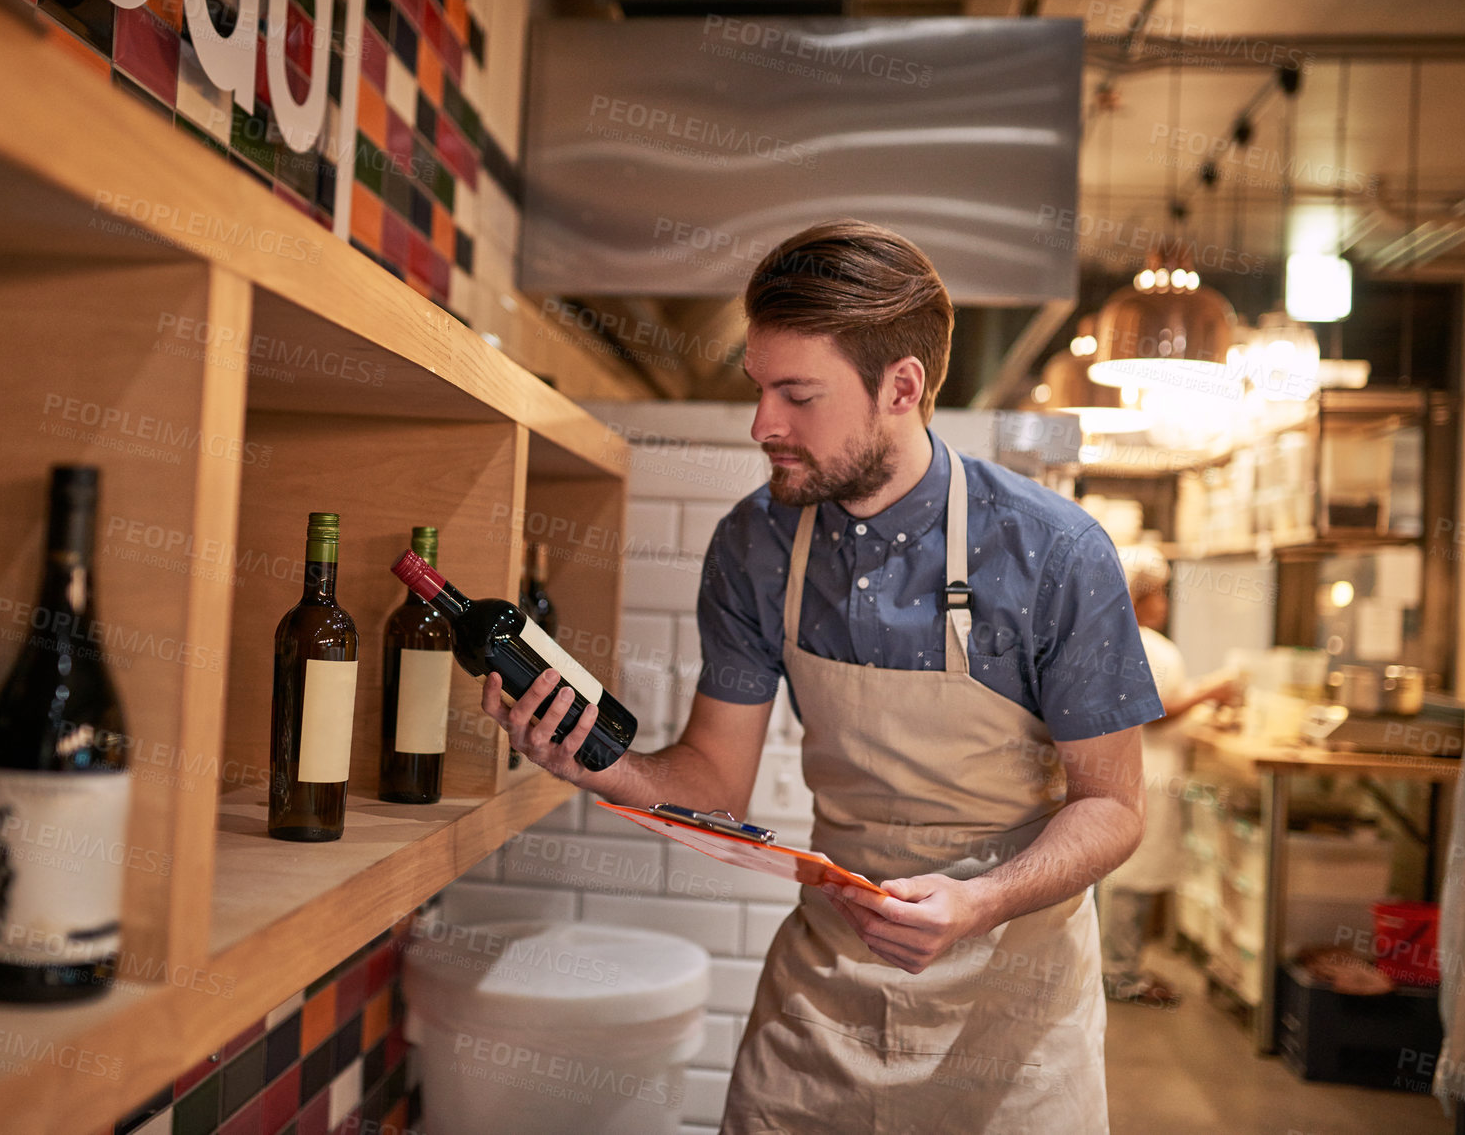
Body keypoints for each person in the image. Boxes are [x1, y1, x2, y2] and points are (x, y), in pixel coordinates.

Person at [477, 220, 1163, 1134]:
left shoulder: (1054, 553)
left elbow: (1112, 806)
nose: (764, 423)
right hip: (822, 1007)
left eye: (796, 394)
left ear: (902, 388)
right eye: (760, 389)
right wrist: (591, 762)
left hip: (1015, 1018)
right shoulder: (753, 545)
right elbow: (713, 780)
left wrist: (977, 901)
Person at [1100, 545, 1243, 1007]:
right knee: (1130, 880)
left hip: (1140, 770)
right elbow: (1152, 712)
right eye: (1157, 594)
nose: (1163, 604)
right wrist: (1208, 691)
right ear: (1137, 597)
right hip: (1146, 774)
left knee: (1125, 878)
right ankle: (1118, 975)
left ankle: (1116, 968)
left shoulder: (1123, 641)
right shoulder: (1140, 644)